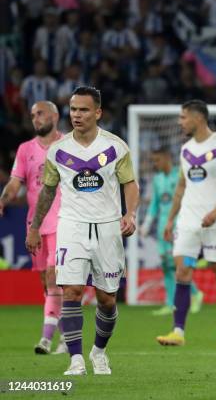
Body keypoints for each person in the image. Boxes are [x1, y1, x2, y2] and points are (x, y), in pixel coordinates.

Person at [25, 86, 139, 375]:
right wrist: (35, 227)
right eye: (73, 109)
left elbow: (130, 184)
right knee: (72, 291)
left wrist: (130, 213)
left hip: (107, 228)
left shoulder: (115, 146)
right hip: (71, 226)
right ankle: (75, 360)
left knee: (107, 299)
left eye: (84, 109)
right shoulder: (58, 150)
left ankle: (98, 352)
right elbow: (47, 192)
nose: (77, 114)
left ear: (98, 112)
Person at [156, 100, 216, 347]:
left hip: (215, 222)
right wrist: (170, 219)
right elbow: (181, 186)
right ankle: (177, 332)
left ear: (198, 118)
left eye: (183, 117)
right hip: (188, 221)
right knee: (182, 271)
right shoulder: (185, 150)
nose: (180, 122)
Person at [0, 101, 66, 355]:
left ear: (54, 116)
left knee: (53, 275)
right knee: (46, 282)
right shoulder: (25, 149)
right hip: (35, 225)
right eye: (32, 116)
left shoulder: (68, 145)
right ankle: (64, 334)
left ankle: (46, 339)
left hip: (63, 220)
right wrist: (4, 199)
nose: (35, 119)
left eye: (40, 114)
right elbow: (16, 183)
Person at [140, 147, 204, 316]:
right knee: (166, 266)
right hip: (163, 228)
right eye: (153, 161)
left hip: (179, 226)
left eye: (158, 160)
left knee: (177, 264)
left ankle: (196, 294)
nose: (156, 163)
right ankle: (170, 303)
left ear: (167, 157)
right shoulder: (157, 179)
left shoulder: (180, 175)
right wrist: (147, 224)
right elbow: (155, 204)